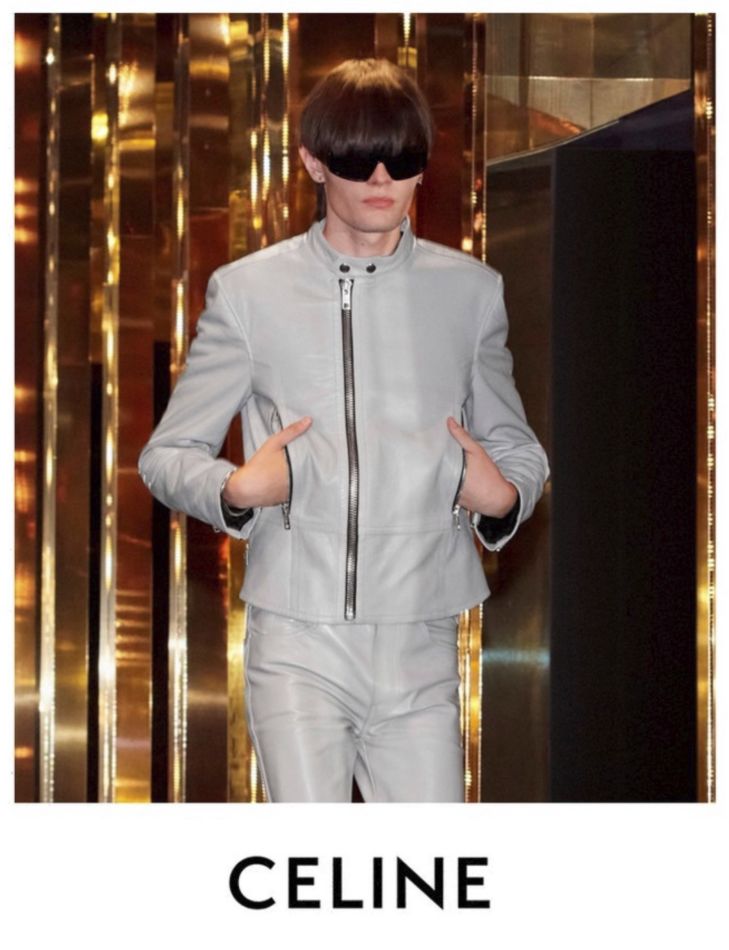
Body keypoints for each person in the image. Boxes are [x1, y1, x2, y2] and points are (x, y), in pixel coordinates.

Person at [138, 58, 549, 803]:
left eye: (404, 158)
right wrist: (234, 489)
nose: (383, 178)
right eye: (360, 159)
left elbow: (517, 447)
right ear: (314, 162)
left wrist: (505, 495)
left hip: (422, 636)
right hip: (298, 638)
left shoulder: (471, 293)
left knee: (429, 863)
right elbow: (165, 455)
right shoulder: (248, 292)